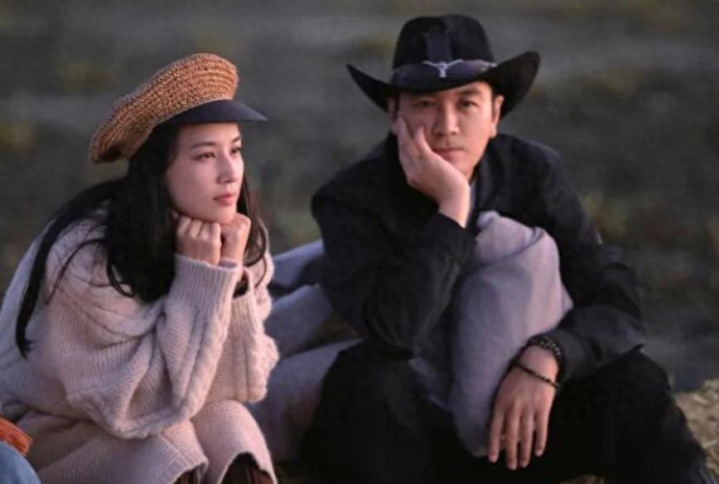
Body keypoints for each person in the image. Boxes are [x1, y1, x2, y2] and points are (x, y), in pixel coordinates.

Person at [301, 14, 715, 484]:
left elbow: (615, 299)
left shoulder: (533, 172)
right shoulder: (351, 198)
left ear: (495, 114)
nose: (447, 126)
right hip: (412, 443)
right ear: (395, 114)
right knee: (367, 380)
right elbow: (395, 334)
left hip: (520, 430)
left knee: (634, 379)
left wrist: (549, 355)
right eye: (425, 104)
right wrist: (452, 208)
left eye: (466, 103)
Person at [0, 53, 279, 483]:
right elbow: (133, 403)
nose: (230, 173)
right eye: (205, 156)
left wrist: (229, 276)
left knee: (232, 433)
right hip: (55, 427)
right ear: (157, 171)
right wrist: (200, 281)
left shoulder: (239, 239)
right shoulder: (87, 255)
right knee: (168, 451)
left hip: (167, 412)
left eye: (236, 150)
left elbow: (242, 382)